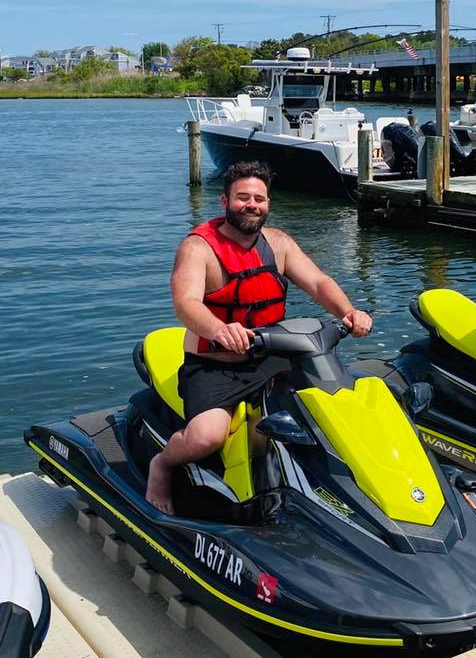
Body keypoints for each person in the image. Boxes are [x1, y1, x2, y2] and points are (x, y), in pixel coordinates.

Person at [145, 161, 373, 513]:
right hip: (215, 367)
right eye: (242, 197)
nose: (252, 205)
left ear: (268, 204)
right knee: (207, 437)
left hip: (272, 358)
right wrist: (220, 330)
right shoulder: (198, 248)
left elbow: (317, 282)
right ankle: (162, 465)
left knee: (334, 404)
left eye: (259, 198)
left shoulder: (279, 244)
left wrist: (349, 312)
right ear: (224, 202)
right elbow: (185, 304)